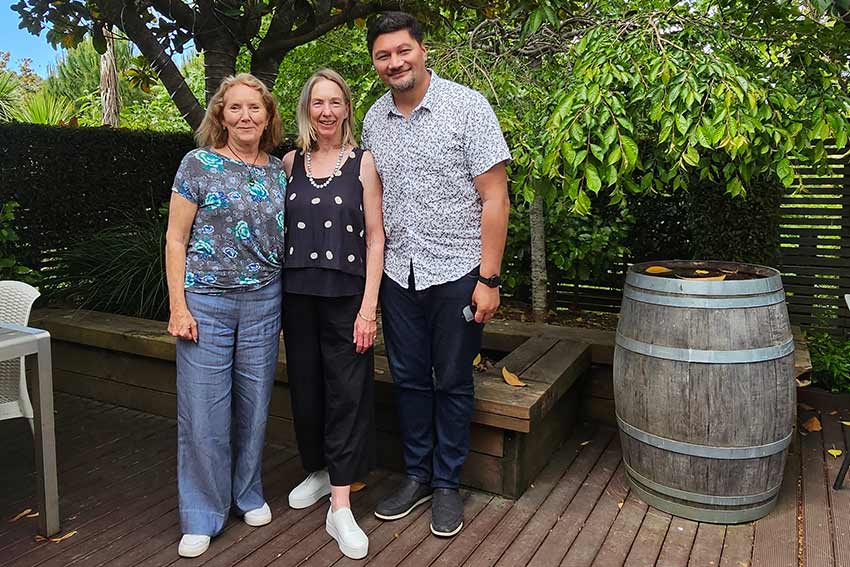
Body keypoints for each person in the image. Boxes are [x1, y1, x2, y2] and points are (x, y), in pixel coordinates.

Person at [362, 12, 511, 538]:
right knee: (407, 380)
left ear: (423, 50)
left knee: (450, 380)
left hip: (457, 271)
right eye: (383, 55)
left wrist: (488, 280)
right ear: (375, 62)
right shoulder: (374, 119)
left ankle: (447, 483)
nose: (394, 62)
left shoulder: (468, 106)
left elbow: (495, 198)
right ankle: (417, 475)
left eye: (403, 50)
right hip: (399, 277)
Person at [165, 73, 286, 558]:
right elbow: (175, 239)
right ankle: (201, 512)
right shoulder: (197, 164)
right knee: (203, 410)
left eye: (254, 109)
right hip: (206, 301)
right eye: (235, 108)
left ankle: (247, 493)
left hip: (264, 300)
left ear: (268, 116)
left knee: (255, 405)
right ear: (220, 115)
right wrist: (178, 305)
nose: (245, 117)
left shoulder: (279, 171)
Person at [281, 68, 384, 560]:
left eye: (335, 102)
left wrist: (369, 307)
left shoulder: (363, 163)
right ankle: (318, 470)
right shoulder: (289, 163)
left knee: (347, 392)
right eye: (317, 103)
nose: (326, 111)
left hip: (347, 297)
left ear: (346, 109)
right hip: (296, 294)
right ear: (308, 109)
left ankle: (340, 504)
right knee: (306, 387)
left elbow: (376, 236)